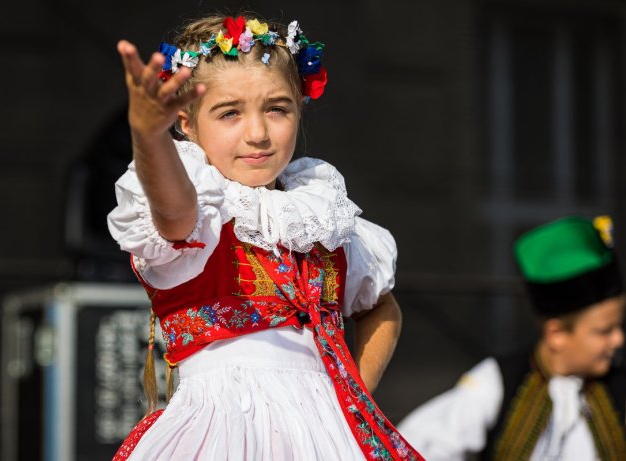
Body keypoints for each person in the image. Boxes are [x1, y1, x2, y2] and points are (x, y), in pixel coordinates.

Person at [107, 13, 423, 461]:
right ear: (186, 124)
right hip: (223, 434)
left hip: (329, 439)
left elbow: (381, 306)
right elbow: (175, 212)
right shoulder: (203, 215)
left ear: (299, 107)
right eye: (229, 113)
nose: (257, 134)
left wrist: (350, 398)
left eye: (276, 108)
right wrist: (149, 138)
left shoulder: (323, 219)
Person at [397, 216, 626, 460]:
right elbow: (417, 443)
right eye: (605, 331)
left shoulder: (618, 388)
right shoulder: (497, 382)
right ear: (556, 334)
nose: (619, 339)